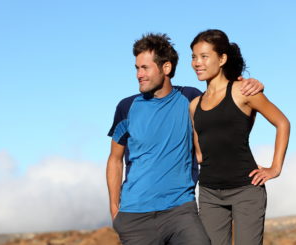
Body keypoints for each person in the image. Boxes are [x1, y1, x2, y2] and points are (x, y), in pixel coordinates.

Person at [106, 33, 263, 245]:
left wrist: (244, 84)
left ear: (166, 68)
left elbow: (225, 107)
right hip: (134, 217)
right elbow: (114, 159)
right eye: (137, 68)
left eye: (145, 68)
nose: (138, 75)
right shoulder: (126, 107)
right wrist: (115, 209)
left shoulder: (190, 99)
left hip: (181, 212)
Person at [189, 29, 290, 245]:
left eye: (204, 56)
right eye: (194, 57)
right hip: (209, 194)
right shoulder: (194, 105)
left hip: (246, 189)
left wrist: (275, 168)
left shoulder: (243, 91)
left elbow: (282, 123)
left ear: (222, 58)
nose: (197, 62)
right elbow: (200, 154)